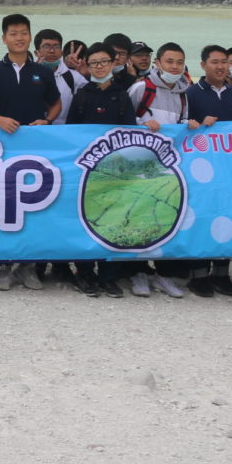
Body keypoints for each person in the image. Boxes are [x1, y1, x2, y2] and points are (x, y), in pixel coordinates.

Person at [0, 13, 60, 292]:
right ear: (4, 38)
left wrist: (47, 120)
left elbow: (55, 104)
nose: (19, 38)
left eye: (23, 33)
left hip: (34, 154)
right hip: (1, 153)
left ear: (30, 36)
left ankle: (27, 265)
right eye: (13, 33)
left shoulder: (43, 72)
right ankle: (4, 265)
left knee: (35, 207)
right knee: (4, 207)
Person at [65, 43, 139, 297]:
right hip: (88, 169)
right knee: (85, 219)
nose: (99, 67)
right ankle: (85, 273)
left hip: (115, 168)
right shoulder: (82, 95)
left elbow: (129, 131)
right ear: (87, 65)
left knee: (114, 219)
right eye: (94, 63)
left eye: (104, 62)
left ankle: (109, 275)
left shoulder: (122, 95)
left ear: (113, 63)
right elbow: (71, 132)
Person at [127, 42, 197, 299]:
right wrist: (142, 123)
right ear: (158, 63)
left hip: (166, 167)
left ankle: (163, 274)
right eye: (169, 61)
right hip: (138, 164)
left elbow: (180, 125)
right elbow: (123, 120)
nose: (174, 67)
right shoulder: (141, 88)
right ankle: (137, 272)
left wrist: (190, 125)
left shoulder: (183, 93)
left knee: (165, 215)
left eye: (179, 62)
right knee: (136, 215)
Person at [183, 45, 232, 298]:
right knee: (202, 217)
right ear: (203, 65)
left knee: (228, 216)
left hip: (230, 169)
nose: (221, 67)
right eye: (215, 62)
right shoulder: (191, 93)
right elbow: (182, 128)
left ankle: (221, 274)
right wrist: (198, 126)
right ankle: (198, 275)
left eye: (224, 62)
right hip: (200, 168)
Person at [35, 29, 84, 125]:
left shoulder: (74, 76)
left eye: (56, 47)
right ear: (37, 52)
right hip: (35, 127)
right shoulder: (27, 75)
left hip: (64, 130)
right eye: (46, 46)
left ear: (61, 52)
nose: (52, 51)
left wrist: (86, 73)